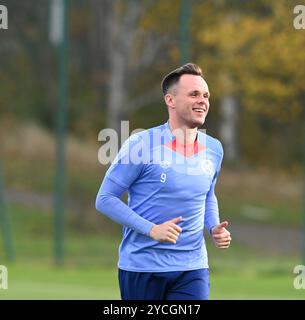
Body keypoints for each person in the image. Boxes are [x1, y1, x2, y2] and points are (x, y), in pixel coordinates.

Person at [95, 63, 231, 300]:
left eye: (206, 95)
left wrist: (213, 227)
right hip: (143, 267)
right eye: (194, 94)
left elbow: (208, 195)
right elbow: (105, 199)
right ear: (171, 100)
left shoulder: (214, 148)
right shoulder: (141, 144)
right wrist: (152, 229)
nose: (202, 101)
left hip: (192, 268)